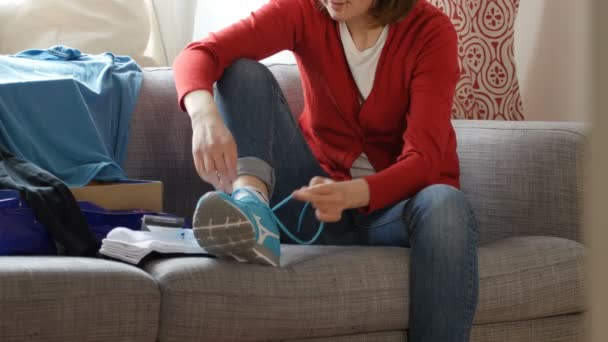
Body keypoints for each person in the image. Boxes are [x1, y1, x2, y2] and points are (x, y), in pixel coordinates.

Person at [174, 0, 479, 340]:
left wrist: (352, 194)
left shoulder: (430, 31)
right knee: (242, 70)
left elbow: (424, 160)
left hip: (392, 215)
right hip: (313, 207)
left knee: (447, 206)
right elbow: (200, 53)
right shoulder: (305, 10)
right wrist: (202, 115)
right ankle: (253, 209)